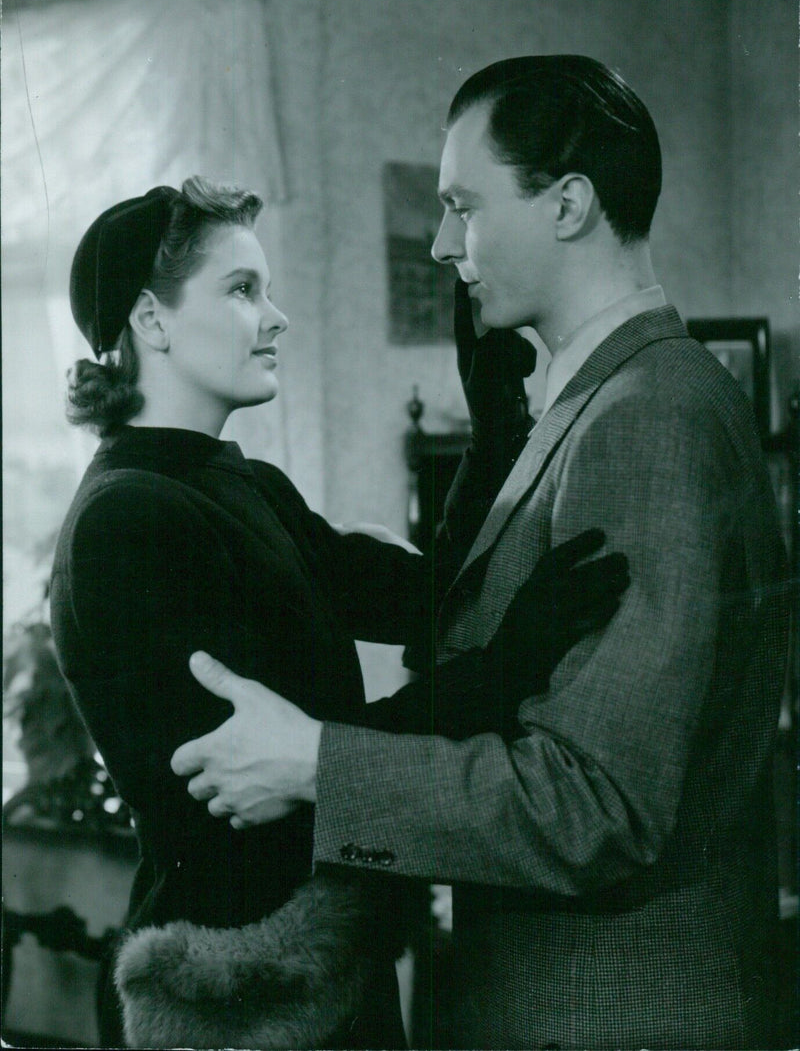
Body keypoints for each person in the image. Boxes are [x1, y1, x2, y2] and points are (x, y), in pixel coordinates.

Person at [171, 57, 791, 1050]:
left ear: (567, 204)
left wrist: (318, 765)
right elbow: (479, 630)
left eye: (463, 205)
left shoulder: (646, 417)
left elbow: (600, 805)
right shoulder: (598, 400)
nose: (440, 243)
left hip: (604, 1013)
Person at [49, 175, 628, 1049]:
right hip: (235, 997)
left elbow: (432, 597)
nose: (277, 317)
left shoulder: (238, 482)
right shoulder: (126, 520)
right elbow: (283, 778)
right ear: (150, 320)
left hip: (326, 965)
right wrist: (511, 662)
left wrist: (495, 422)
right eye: (243, 290)